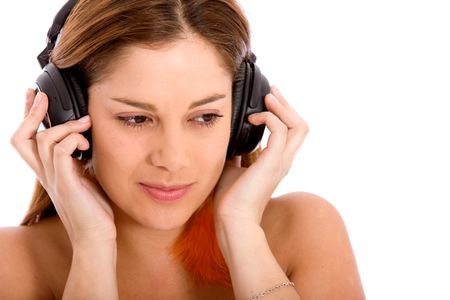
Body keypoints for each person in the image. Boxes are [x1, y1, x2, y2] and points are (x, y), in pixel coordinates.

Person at [0, 0, 365, 299]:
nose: (172, 159)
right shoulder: (13, 263)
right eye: (135, 119)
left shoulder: (305, 230)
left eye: (205, 117)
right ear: (67, 113)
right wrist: (92, 248)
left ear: (243, 116)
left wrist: (241, 231)